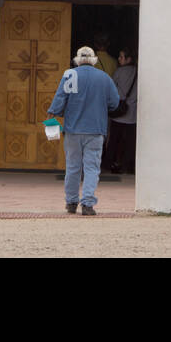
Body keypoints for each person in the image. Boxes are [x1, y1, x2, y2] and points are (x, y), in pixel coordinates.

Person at [47, 45, 119, 215]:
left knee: (73, 167)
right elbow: (115, 102)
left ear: (77, 60)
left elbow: (59, 99)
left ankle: (71, 202)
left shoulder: (69, 74)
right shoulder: (104, 77)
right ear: (93, 60)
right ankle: (87, 204)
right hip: (95, 130)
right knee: (92, 168)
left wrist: (53, 113)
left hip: (73, 130)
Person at [107, 48, 137, 175]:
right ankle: (127, 166)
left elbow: (111, 88)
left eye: (121, 57)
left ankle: (109, 164)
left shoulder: (119, 72)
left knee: (114, 140)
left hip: (119, 112)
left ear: (128, 59)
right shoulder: (138, 72)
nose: (119, 59)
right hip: (133, 114)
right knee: (130, 143)